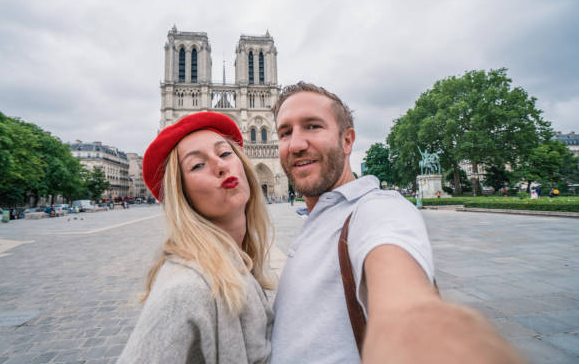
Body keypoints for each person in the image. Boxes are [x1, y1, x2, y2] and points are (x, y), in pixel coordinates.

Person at [270, 82, 524, 363]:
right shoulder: (318, 215)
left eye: (313, 126)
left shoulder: (377, 210)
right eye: (285, 132)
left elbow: (407, 312)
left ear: (347, 140)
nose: (295, 144)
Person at [117, 112, 275, 363]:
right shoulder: (186, 287)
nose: (220, 166)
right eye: (197, 165)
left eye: (224, 153)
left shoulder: (236, 262)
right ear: (182, 193)